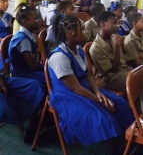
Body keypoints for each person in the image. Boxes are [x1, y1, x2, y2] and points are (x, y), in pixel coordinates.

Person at [48, 15, 134, 146]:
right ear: (70, 33)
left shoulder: (78, 49)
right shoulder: (59, 57)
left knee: (120, 104)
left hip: (84, 87)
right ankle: (115, 149)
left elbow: (87, 73)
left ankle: (126, 140)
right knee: (103, 118)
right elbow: (74, 88)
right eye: (82, 30)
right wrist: (99, 101)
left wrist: (98, 92)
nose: (86, 32)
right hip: (68, 95)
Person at [90, 11, 128, 92]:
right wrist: (117, 46)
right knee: (138, 77)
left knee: (140, 72)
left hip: (120, 71)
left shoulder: (112, 39)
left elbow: (122, 61)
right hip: (108, 79)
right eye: (114, 23)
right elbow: (113, 70)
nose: (116, 26)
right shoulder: (95, 48)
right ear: (103, 24)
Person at [8, 3, 46, 84]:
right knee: (51, 78)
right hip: (23, 75)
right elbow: (32, 66)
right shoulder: (23, 39)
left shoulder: (29, 35)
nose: (39, 20)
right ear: (25, 21)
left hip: (28, 71)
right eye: (36, 18)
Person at [0, 74, 45, 142]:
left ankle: (33, 127)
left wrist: (3, 84)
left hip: (3, 80)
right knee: (3, 110)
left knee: (35, 86)